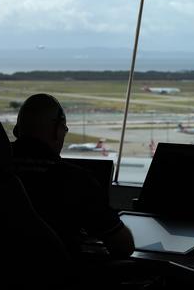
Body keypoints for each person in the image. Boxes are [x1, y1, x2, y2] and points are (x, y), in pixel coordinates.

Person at [11, 93, 134, 261]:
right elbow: (124, 247)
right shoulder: (75, 180)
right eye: (65, 129)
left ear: (17, 131)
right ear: (58, 130)